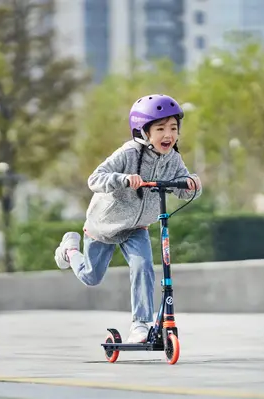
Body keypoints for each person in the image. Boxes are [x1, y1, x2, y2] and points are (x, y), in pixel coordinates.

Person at [54, 94, 202, 343]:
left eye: (174, 128)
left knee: (143, 266)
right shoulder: (129, 153)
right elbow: (95, 179)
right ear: (143, 131)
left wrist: (192, 184)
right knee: (91, 276)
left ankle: (140, 325)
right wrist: (122, 179)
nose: (169, 135)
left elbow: (183, 188)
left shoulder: (173, 159)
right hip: (105, 225)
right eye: (161, 128)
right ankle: (69, 249)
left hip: (137, 227)